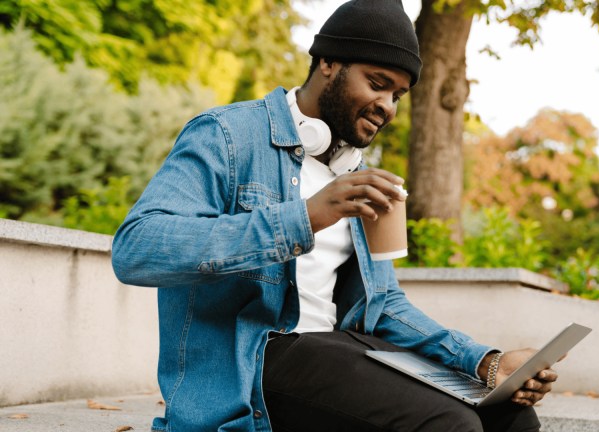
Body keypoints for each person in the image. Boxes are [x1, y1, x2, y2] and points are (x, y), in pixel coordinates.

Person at [112, 1, 559, 431]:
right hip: (253, 362)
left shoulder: (354, 174)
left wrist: (484, 360)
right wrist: (306, 216)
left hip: (334, 351)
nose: (388, 106)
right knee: (449, 424)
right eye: (377, 83)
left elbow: (383, 305)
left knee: (509, 416)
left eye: (398, 95)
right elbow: (137, 248)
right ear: (327, 61)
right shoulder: (228, 136)